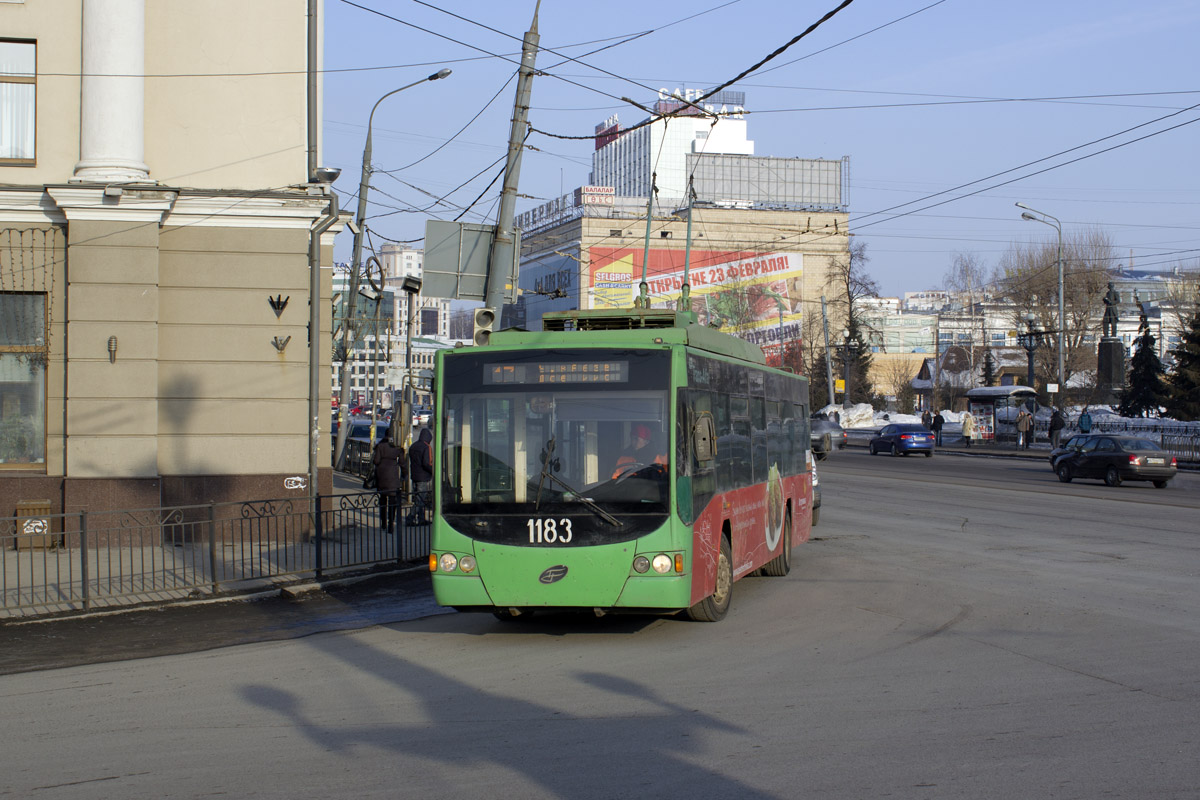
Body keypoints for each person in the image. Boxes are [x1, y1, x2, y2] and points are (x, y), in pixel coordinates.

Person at [372, 431, 406, 533]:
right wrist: (404, 475)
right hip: (393, 477)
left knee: (383, 500)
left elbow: (376, 461)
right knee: (392, 502)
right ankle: (391, 524)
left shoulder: (380, 446)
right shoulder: (397, 448)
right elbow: (402, 464)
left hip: (382, 476)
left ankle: (383, 523)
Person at [408, 427, 433, 525]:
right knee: (420, 499)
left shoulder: (413, 446)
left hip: (414, 475)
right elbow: (427, 463)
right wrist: (433, 471)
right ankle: (410, 517)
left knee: (418, 497)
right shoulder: (426, 447)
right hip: (423, 476)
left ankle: (421, 519)